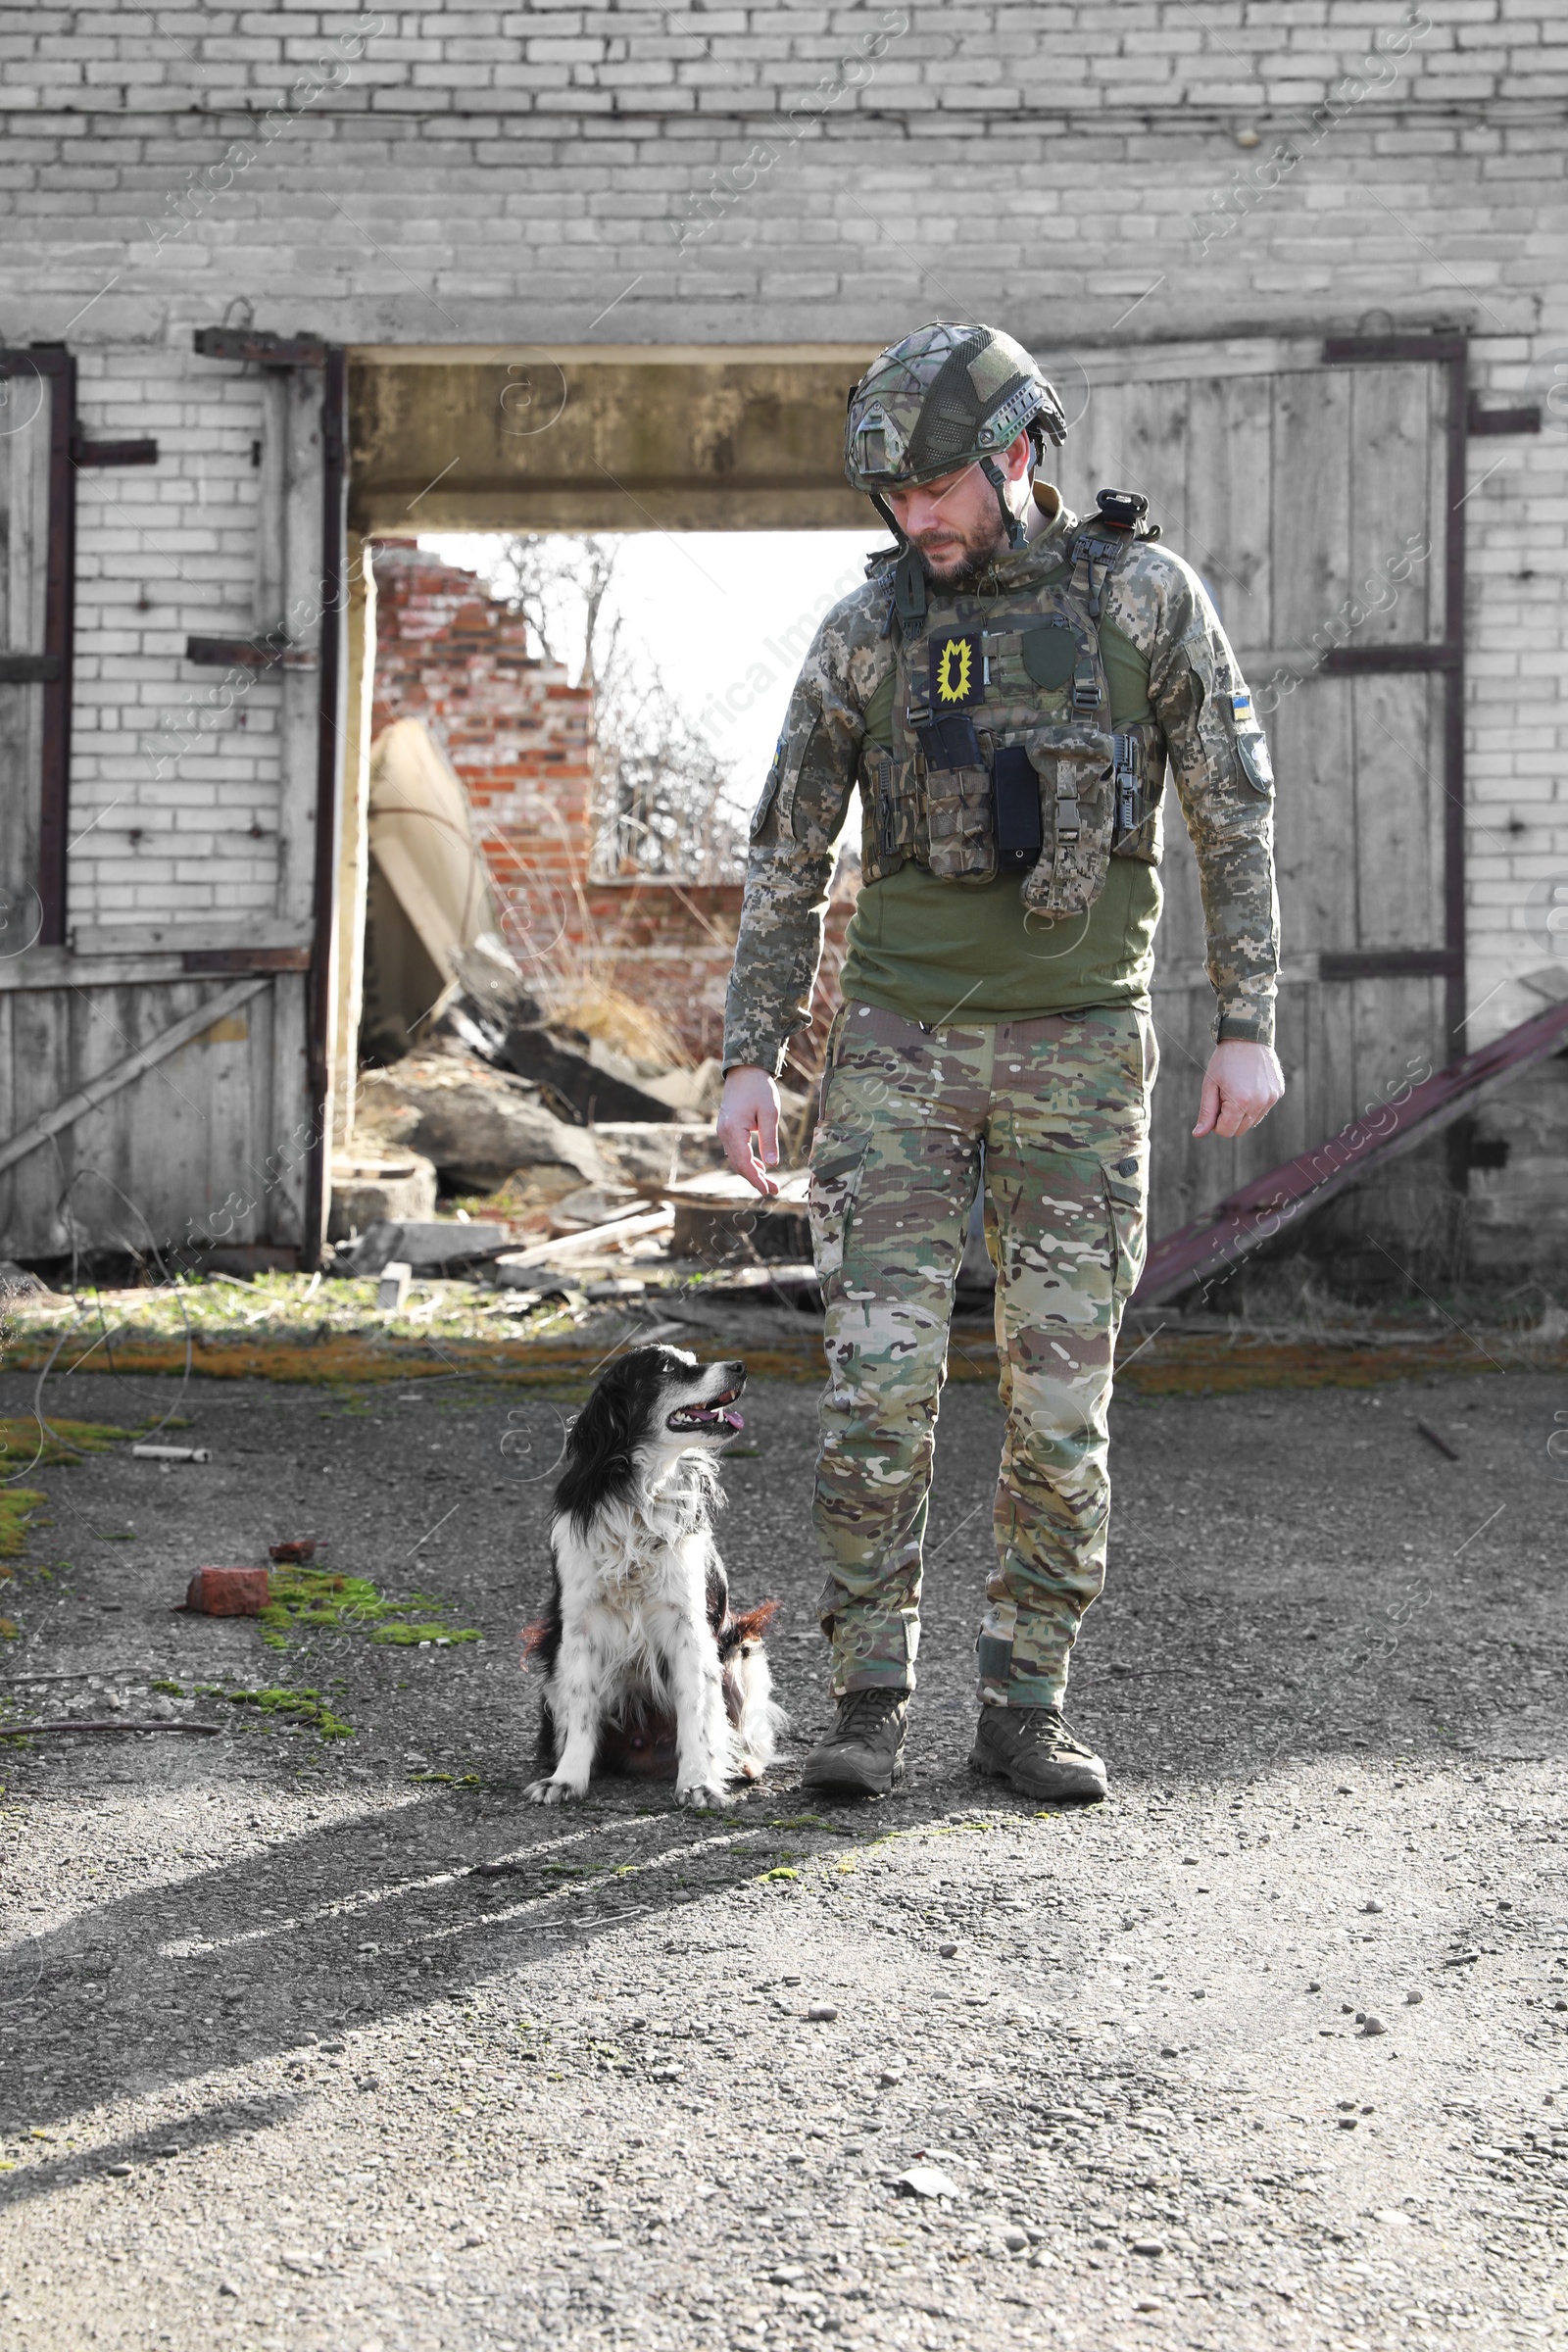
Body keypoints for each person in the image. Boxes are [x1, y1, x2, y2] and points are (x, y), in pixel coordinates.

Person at [716, 321, 1284, 1802]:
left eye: (937, 491)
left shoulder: (1143, 599)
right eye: (894, 500)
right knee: (875, 1391)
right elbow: (789, 848)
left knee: (1060, 1404)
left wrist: (1249, 1019)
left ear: (1019, 456)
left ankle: (1025, 1706)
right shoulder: (870, 628)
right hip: (896, 1052)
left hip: (1085, 1052)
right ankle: (863, 1701)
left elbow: (1233, 813)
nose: (916, 522)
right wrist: (751, 1057)